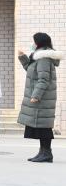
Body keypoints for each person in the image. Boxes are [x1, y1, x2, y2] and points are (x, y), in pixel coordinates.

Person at [18, 33, 63, 163]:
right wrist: (22, 57)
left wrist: (36, 95)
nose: (32, 43)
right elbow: (32, 71)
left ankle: (47, 153)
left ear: (39, 43)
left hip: (42, 99)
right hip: (41, 98)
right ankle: (43, 152)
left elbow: (43, 79)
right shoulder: (39, 57)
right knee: (41, 126)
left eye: (34, 41)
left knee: (43, 127)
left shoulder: (43, 58)